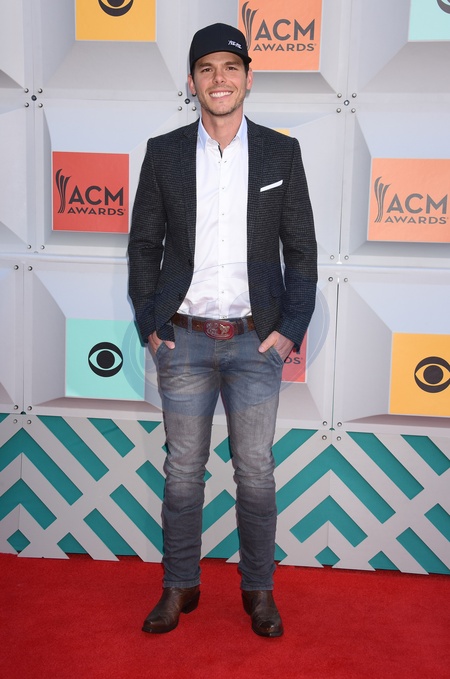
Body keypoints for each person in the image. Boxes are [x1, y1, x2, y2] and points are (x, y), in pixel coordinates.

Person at [128, 22, 317, 637]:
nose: (219, 79)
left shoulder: (281, 153)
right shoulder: (163, 152)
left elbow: (302, 251)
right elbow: (144, 246)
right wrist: (150, 323)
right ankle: (178, 586)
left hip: (256, 343)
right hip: (182, 339)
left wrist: (289, 329)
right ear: (192, 81)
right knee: (183, 471)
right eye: (206, 68)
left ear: (248, 79)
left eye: (231, 68)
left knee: (255, 471)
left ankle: (259, 591)